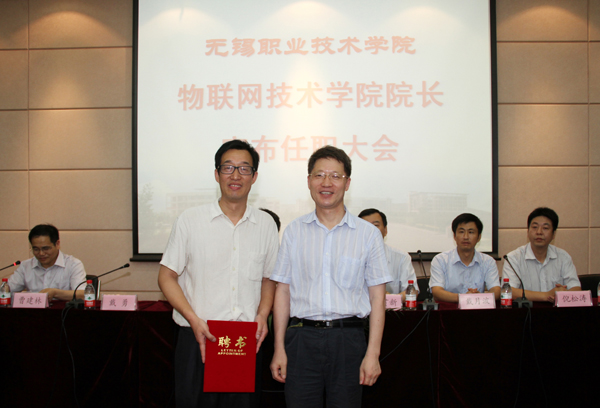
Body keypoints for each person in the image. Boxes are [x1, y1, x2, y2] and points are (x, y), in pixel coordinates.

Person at [157, 140, 279, 408]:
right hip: (197, 337)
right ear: (216, 174)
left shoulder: (266, 224)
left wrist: (262, 315)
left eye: (244, 168)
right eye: (228, 167)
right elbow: (166, 276)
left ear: (254, 177)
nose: (236, 175)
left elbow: (269, 278)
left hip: (244, 341)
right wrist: (193, 319)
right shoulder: (190, 220)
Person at [269, 145, 390, 408]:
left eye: (335, 176)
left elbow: (377, 298)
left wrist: (373, 353)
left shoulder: (367, 234)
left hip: (348, 340)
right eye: (319, 175)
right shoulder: (294, 232)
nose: (327, 183)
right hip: (301, 339)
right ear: (309, 181)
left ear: (347, 183)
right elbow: (283, 291)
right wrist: (279, 348)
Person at [502, 207, 581, 302]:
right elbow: (509, 291)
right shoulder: (513, 258)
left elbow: (576, 288)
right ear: (527, 231)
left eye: (545, 228)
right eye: (534, 227)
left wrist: (562, 294)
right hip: (526, 311)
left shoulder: (563, 257)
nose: (539, 232)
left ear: (554, 234)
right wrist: (546, 295)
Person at [429, 213, 500, 302]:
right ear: (454, 236)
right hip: (449, 309)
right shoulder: (440, 260)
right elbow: (437, 292)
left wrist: (479, 297)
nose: (466, 237)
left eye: (471, 232)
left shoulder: (488, 261)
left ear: (479, 237)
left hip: (477, 309)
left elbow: (496, 291)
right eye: (461, 232)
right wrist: (465, 298)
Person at [7, 224, 86, 300]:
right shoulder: (26, 266)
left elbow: (82, 294)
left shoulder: (73, 264)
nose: (41, 253)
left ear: (57, 244)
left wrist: (55, 293)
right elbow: (7, 290)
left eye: (45, 248)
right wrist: (5, 288)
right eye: (36, 249)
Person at [358, 208, 418, 299]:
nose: (371, 230)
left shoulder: (401, 257)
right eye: (366, 226)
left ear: (385, 230)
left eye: (376, 225)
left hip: (390, 308)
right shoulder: (349, 257)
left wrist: (389, 299)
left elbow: (412, 292)